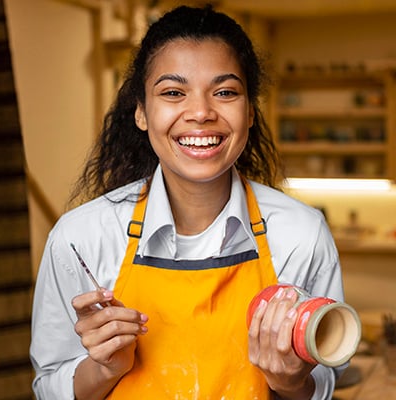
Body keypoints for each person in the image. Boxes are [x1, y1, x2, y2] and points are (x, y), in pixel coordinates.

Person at [30, 4, 346, 400]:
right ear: (142, 113)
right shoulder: (80, 239)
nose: (200, 112)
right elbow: (48, 388)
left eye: (225, 92)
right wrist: (104, 367)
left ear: (250, 112)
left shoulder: (301, 234)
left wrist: (291, 382)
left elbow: (326, 385)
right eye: (173, 92)